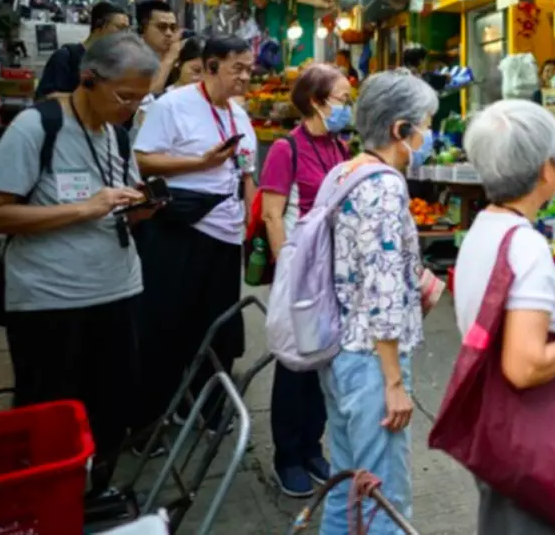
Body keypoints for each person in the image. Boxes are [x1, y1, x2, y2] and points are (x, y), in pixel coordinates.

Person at [0, 33, 160, 494]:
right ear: (88, 79)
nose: (132, 108)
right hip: (51, 303)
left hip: (118, 293)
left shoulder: (118, 137)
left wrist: (139, 209)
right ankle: (45, 497)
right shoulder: (35, 127)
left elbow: (119, 204)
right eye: (125, 96)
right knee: (49, 413)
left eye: (142, 99)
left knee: (110, 409)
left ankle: (91, 490)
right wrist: (85, 209)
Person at [455, 99, 555, 535]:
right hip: (528, 436)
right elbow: (524, 366)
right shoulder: (525, 246)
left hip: (494, 424)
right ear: (547, 171)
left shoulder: (483, 228)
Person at [317, 71, 438, 533]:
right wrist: (394, 382)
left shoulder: (344, 172)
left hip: (340, 350)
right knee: (382, 494)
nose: (426, 137)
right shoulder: (385, 187)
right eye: (424, 126)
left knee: (347, 481)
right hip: (372, 361)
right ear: (399, 130)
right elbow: (382, 292)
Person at [133, 35, 257, 436]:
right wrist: (198, 163)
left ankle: (207, 409)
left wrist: (251, 226)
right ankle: (150, 418)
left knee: (217, 327)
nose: (245, 76)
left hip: (225, 234)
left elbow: (246, 173)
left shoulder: (239, 114)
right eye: (237, 67)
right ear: (209, 66)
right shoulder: (174, 105)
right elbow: (141, 159)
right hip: (179, 230)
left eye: (249, 68)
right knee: (166, 324)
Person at [258, 64, 351, 497]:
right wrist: (288, 269)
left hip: (333, 272)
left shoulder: (340, 147)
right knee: (295, 365)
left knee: (324, 362)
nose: (347, 107)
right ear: (317, 101)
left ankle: (313, 445)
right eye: (342, 99)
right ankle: (288, 455)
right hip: (300, 274)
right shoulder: (285, 149)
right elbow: (272, 214)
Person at [36, 1, 129, 99]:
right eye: (120, 28)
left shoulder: (116, 64)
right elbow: (45, 98)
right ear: (99, 25)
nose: (125, 35)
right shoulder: (65, 58)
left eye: (127, 30)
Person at [135, 0, 181, 97]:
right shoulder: (131, 60)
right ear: (142, 29)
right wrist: (169, 58)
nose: (169, 33)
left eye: (173, 28)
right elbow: (148, 97)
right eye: (162, 27)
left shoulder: (178, 59)